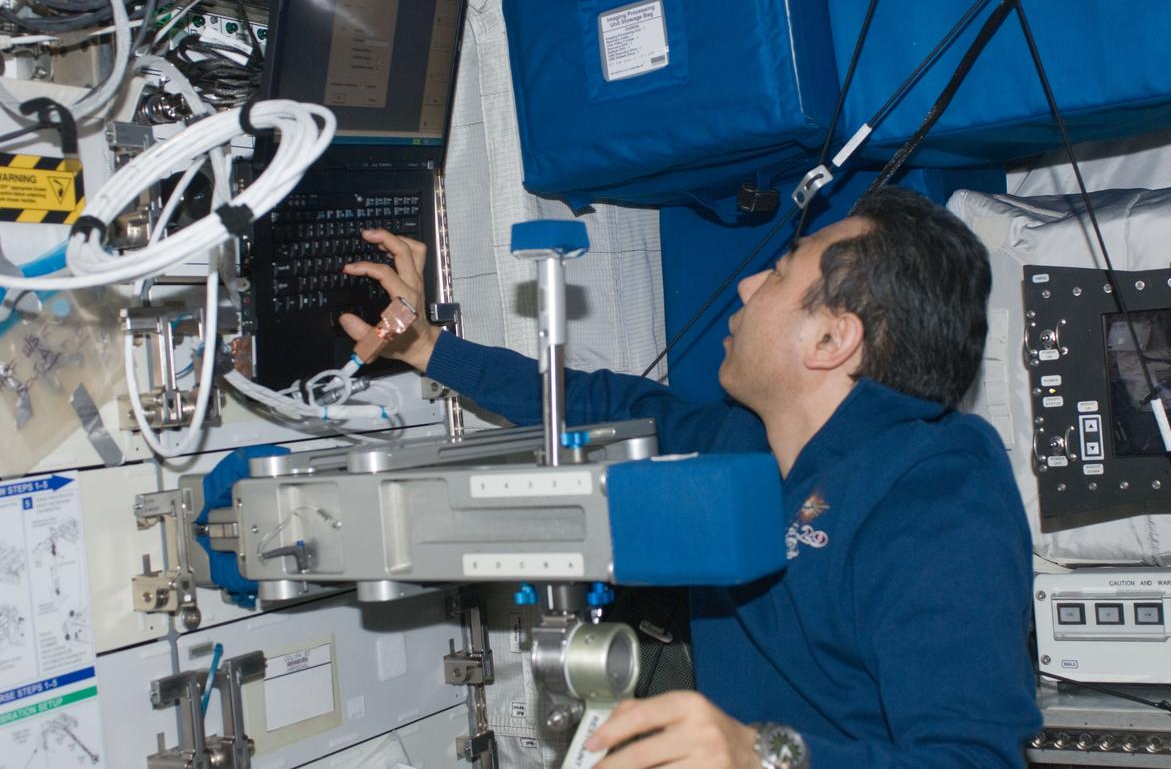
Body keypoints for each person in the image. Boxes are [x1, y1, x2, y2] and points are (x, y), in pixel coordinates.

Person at [338, 187, 1042, 769]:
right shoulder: (744, 441)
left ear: (833, 339)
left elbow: (972, 759)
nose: (748, 283)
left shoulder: (939, 493)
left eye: (780, 272)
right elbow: (599, 404)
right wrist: (427, 346)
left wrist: (763, 756)